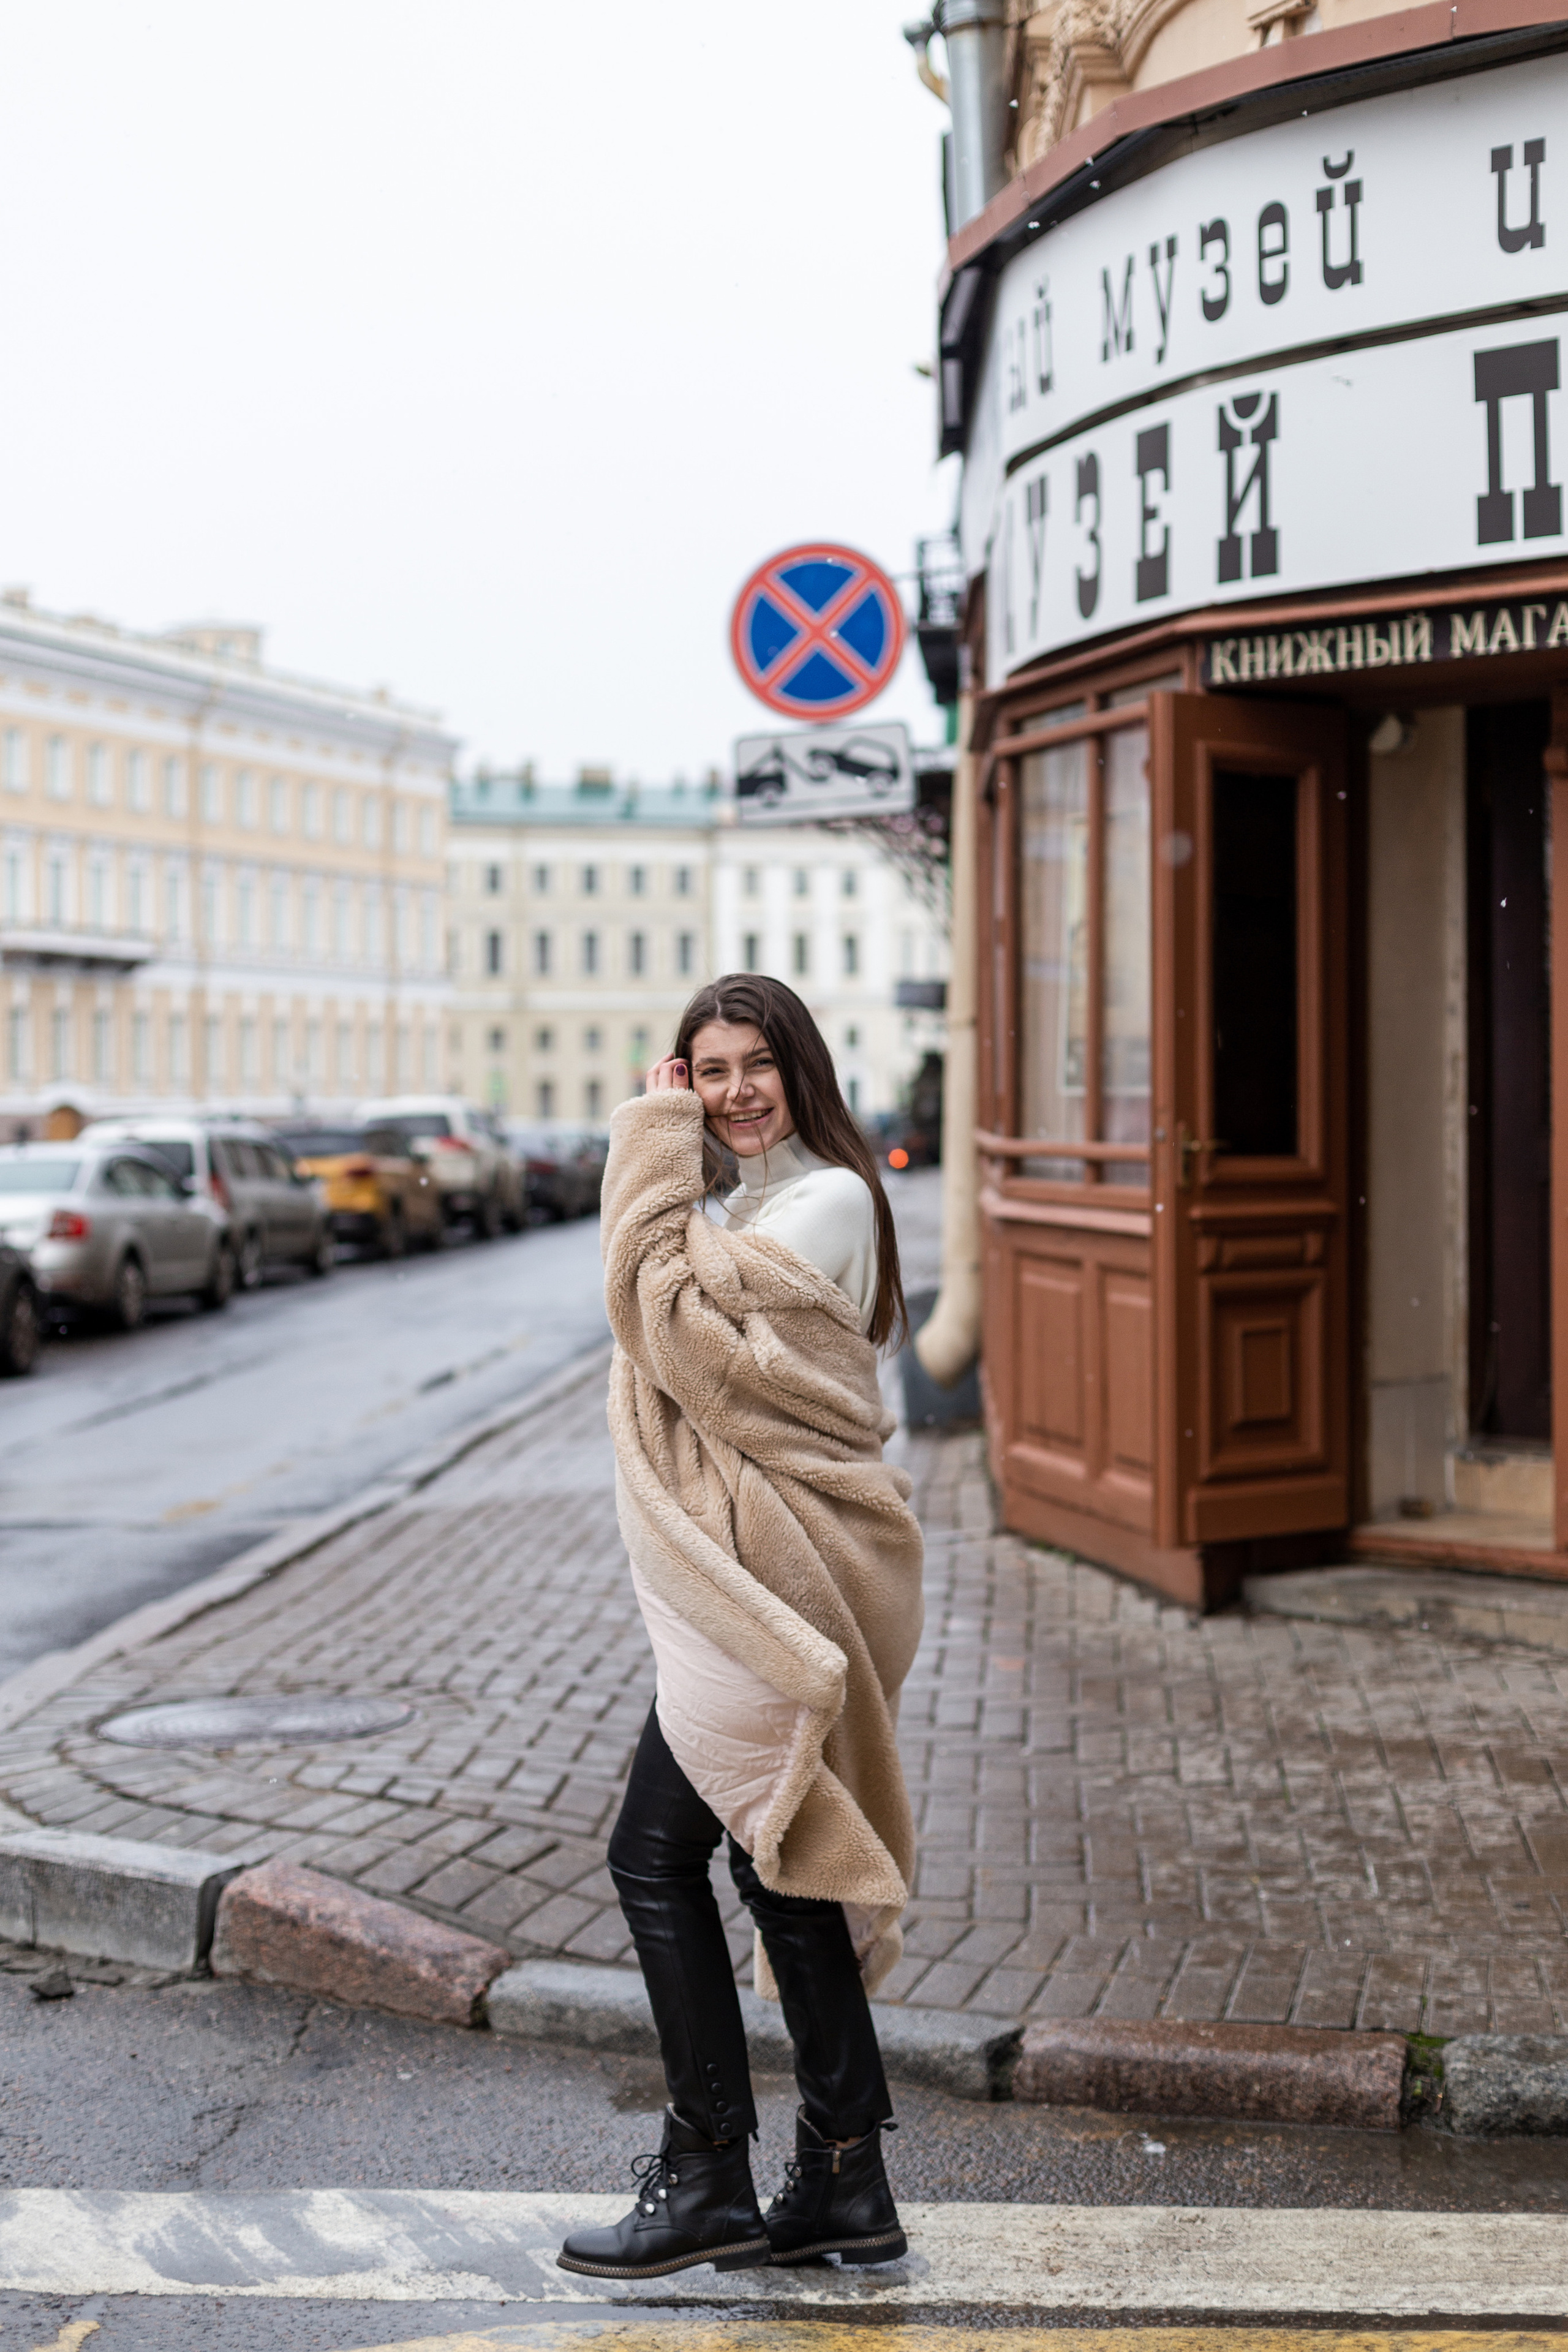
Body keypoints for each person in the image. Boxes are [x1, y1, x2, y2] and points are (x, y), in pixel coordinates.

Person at [557, 973, 925, 2282]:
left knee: (655, 1854)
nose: (732, 1092)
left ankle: (709, 2171)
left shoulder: (823, 1197)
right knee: (775, 1865)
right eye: (704, 1074)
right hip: (755, 1572)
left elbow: (673, 1339)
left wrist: (648, 1145)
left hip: (785, 1574)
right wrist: (675, 1178)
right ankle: (842, 2182)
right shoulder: (735, 1210)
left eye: (754, 1063)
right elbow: (657, 1294)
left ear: (798, 1066)